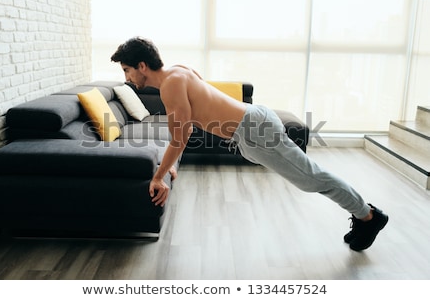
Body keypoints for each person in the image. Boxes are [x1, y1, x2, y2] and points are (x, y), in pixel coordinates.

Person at [110, 36, 388, 251]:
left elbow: (180, 135)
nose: (127, 78)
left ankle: (368, 216)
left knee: (311, 178)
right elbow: (194, 120)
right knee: (310, 178)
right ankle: (362, 212)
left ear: (142, 66)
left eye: (127, 70)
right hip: (253, 125)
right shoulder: (179, 71)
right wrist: (168, 165)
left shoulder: (170, 86)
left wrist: (158, 176)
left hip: (254, 130)